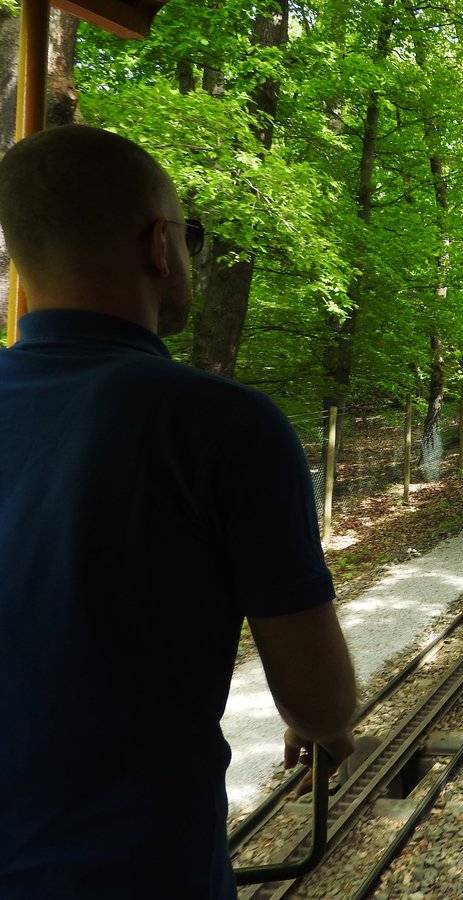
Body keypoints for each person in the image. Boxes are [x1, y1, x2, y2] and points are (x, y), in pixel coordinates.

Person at [0, 125, 357, 899]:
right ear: (159, 243)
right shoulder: (224, 426)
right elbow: (322, 700)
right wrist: (319, 722)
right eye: (190, 235)